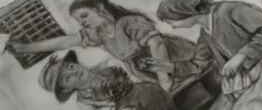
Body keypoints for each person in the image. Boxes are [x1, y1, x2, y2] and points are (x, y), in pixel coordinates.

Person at [10, 0, 198, 92]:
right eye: (79, 21)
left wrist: (164, 79)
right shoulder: (98, 36)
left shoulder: (128, 23)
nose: (82, 23)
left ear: (99, 8)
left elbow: (157, 45)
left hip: (177, 59)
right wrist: (26, 48)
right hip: (152, 73)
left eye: (84, 16)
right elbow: (63, 42)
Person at [37, 50, 176, 110]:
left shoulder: (109, 64)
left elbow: (138, 76)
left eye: (70, 66)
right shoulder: (84, 103)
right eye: (67, 78)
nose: (74, 72)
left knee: (148, 91)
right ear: (67, 89)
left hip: (150, 98)